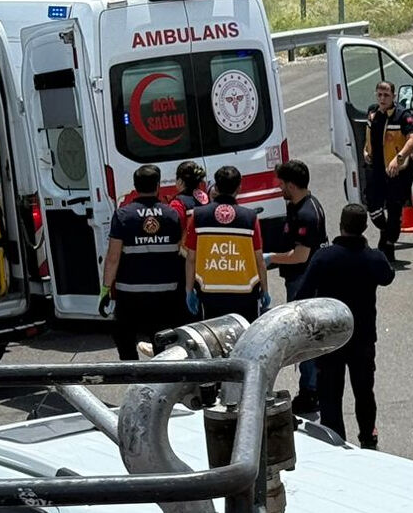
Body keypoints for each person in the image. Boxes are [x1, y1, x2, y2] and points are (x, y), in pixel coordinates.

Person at [294, 203, 395, 449]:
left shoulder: (324, 256)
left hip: (329, 337)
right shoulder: (372, 258)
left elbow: (303, 294)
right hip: (362, 337)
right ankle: (368, 437)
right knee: (364, 391)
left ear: (341, 225)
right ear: (364, 228)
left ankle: (334, 439)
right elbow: (388, 276)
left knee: (329, 392)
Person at [100, 164, 188, 360]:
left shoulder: (123, 215)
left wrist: (105, 290)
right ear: (157, 186)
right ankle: (162, 381)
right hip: (165, 294)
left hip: (130, 295)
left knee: (124, 339)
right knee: (164, 346)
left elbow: (113, 257)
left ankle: (134, 376)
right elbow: (180, 251)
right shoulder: (171, 215)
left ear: (135, 186)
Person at [263, 159, 327, 412]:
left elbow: (300, 255)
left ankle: (310, 391)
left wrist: (269, 258)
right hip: (300, 278)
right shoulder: (298, 205)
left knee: (304, 339)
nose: (278, 187)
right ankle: (311, 386)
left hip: (304, 281)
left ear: (291, 184)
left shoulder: (307, 214)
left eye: (280, 183)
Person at [182, 165, 263, 322]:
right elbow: (258, 259)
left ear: (216, 187)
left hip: (211, 294)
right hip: (244, 293)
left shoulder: (198, 215)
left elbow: (191, 258)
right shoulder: (250, 217)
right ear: (239, 187)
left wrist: (189, 289)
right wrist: (265, 289)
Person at [362, 81, 413, 264]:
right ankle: (385, 232)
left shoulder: (402, 115)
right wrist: (366, 151)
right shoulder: (372, 112)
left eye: (386, 95)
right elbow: (368, 135)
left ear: (393, 97)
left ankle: (387, 246)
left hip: (396, 172)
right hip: (376, 169)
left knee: (395, 212)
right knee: (372, 205)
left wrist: (399, 158)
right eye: (379, 95)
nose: (382, 98)